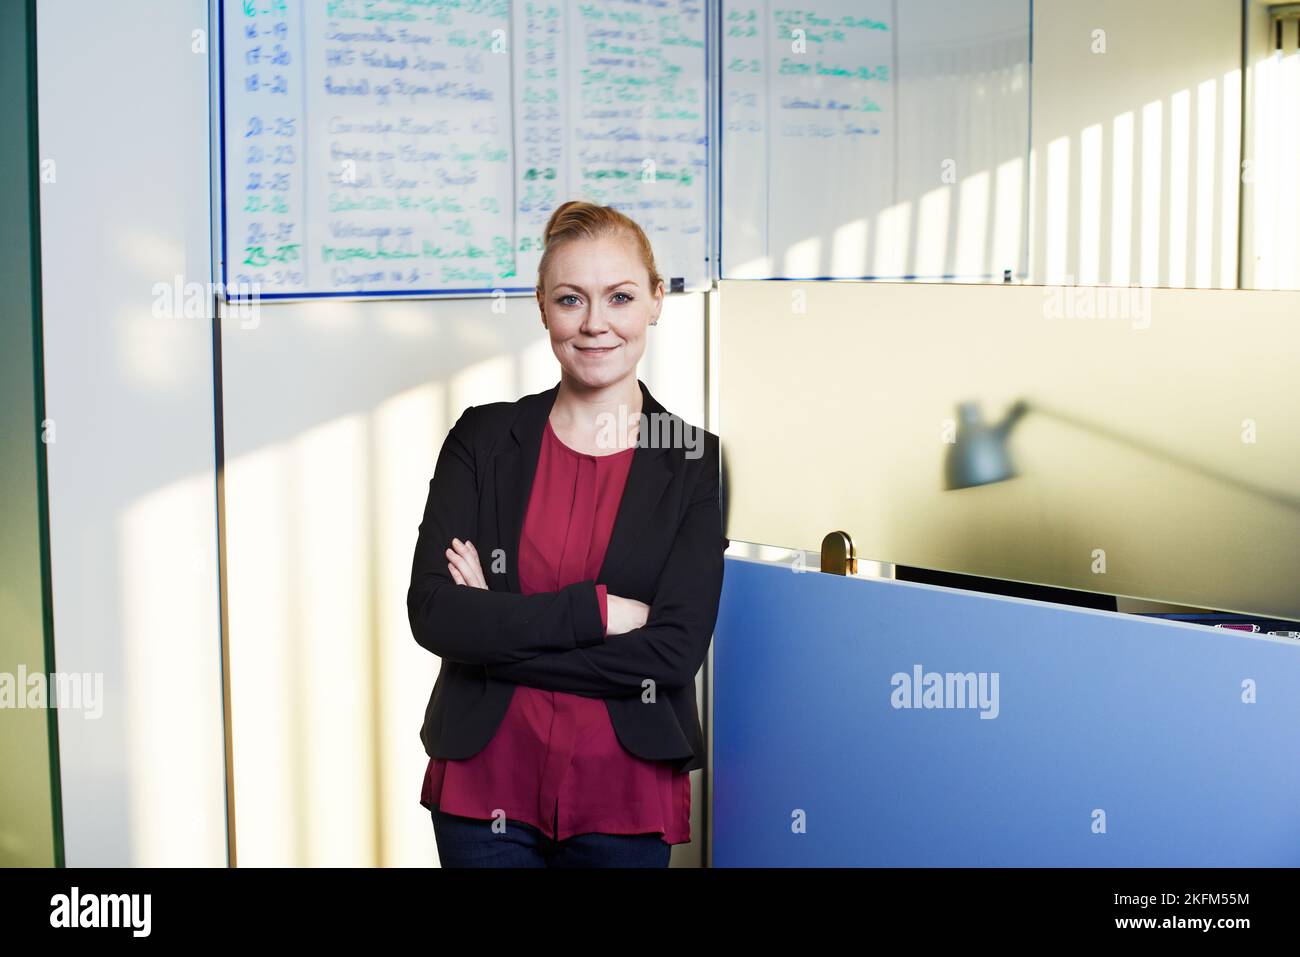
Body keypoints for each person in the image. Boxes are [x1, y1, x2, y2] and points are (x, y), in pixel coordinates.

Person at [407, 200, 728, 867]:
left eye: (619, 297)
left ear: (657, 301)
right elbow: (436, 613)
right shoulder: (482, 438)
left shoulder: (694, 460)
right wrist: (597, 612)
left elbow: (672, 654)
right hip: (482, 782)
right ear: (542, 306)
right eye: (570, 299)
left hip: (624, 788)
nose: (594, 324)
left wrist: (492, 633)